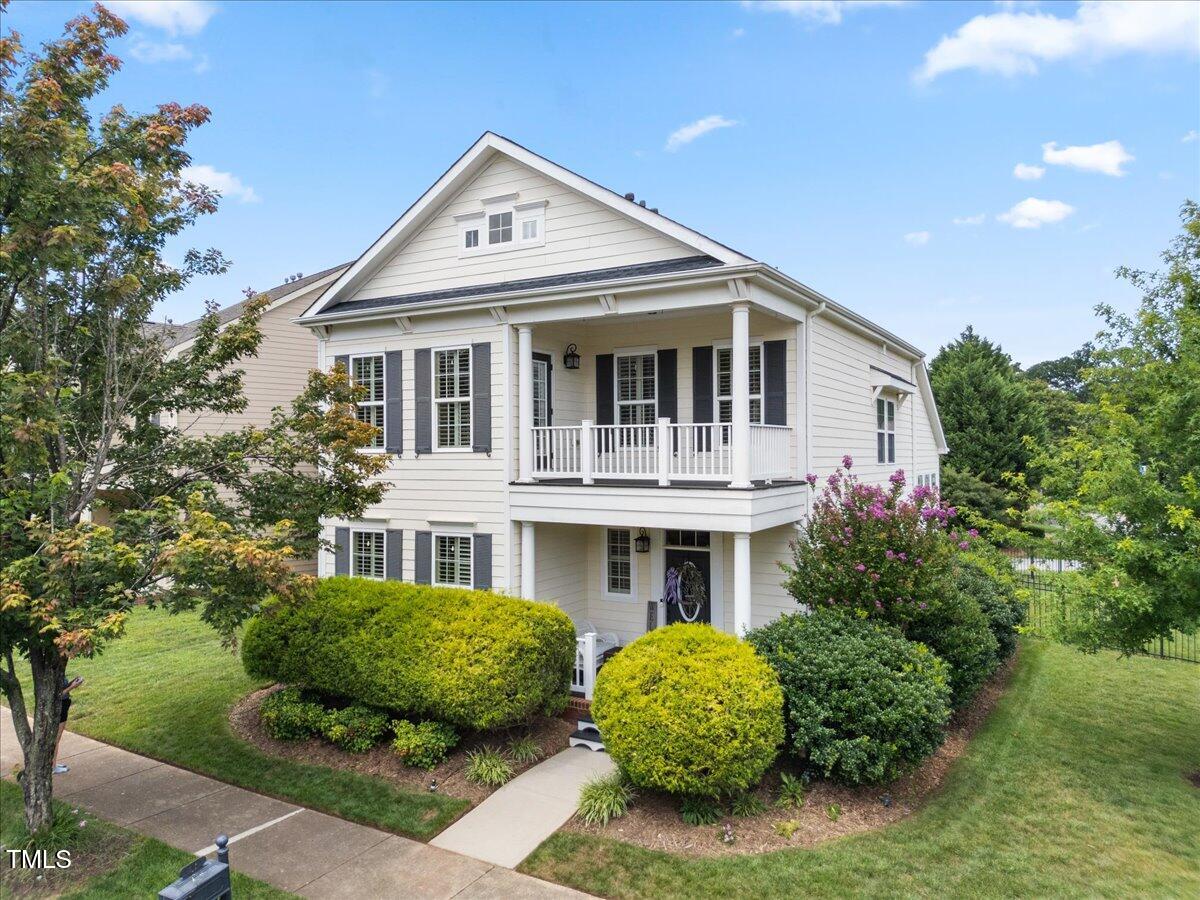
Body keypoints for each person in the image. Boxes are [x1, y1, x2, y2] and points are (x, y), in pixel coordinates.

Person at [53, 673, 84, 775]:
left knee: (57, 738)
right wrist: (72, 687)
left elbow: (62, 688)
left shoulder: (59, 670)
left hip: (64, 705)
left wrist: (73, 682)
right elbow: (57, 695)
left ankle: (53, 764)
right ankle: (53, 767)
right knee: (56, 739)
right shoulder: (54, 673)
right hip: (59, 707)